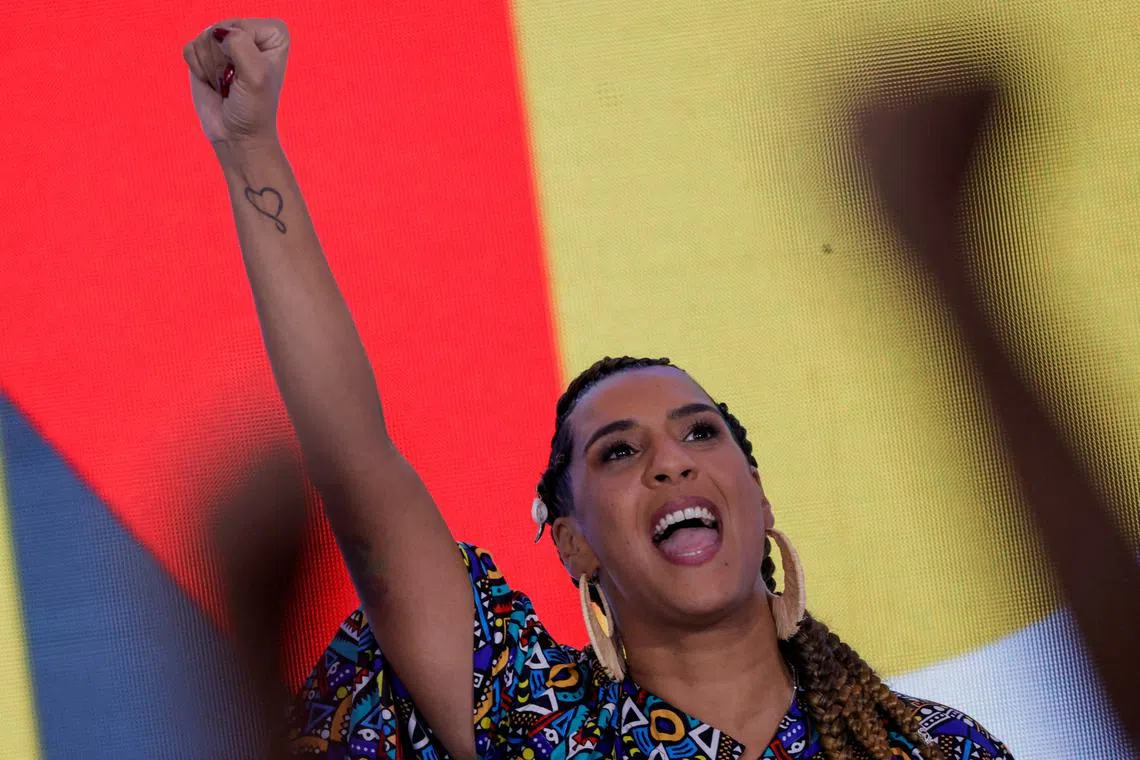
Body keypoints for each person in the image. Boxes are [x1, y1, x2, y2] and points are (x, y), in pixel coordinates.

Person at [183, 18, 1015, 760]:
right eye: (619, 452)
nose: (670, 465)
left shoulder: (932, 748)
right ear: (575, 544)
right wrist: (249, 148)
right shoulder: (536, 718)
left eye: (699, 434)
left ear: (758, 504)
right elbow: (355, 467)